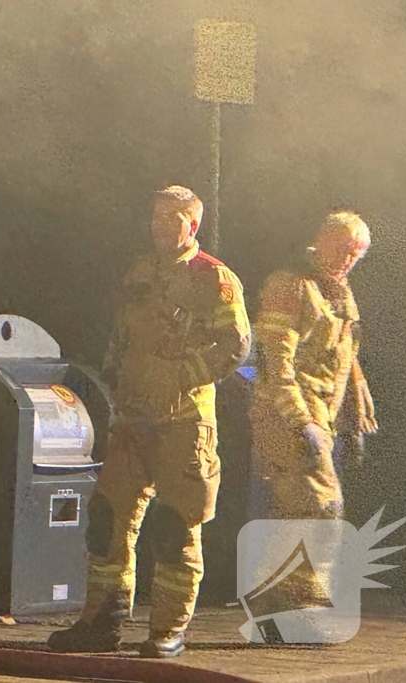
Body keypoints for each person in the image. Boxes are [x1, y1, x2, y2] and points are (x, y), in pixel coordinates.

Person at [47, 185, 251, 658]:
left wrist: (183, 376)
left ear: (192, 225)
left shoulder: (214, 279)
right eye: (155, 215)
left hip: (184, 423)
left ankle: (166, 632)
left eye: (171, 217)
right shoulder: (140, 270)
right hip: (134, 421)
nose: (160, 224)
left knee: (176, 528)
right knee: (106, 519)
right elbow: (122, 331)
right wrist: (113, 376)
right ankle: (102, 623)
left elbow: (236, 345)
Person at [248, 210, 378, 617]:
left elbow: (342, 352)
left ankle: (273, 598)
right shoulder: (291, 287)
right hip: (286, 415)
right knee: (321, 503)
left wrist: (356, 388)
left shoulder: (339, 294)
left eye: (354, 253)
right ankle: (303, 601)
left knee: (295, 507)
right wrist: (302, 422)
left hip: (319, 415)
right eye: (340, 248)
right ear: (320, 240)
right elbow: (275, 363)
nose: (346, 259)